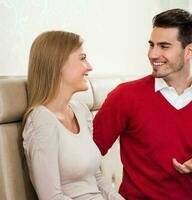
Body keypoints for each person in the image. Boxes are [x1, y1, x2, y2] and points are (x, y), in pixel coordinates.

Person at [93, 9, 192, 200]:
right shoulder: (125, 96)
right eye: (151, 45)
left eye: (164, 46)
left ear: (190, 51)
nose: (153, 54)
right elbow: (87, 159)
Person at [23, 31, 124, 200]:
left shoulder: (80, 110)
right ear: (58, 64)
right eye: (82, 58)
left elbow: (96, 178)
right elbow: (51, 197)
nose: (89, 67)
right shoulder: (41, 120)